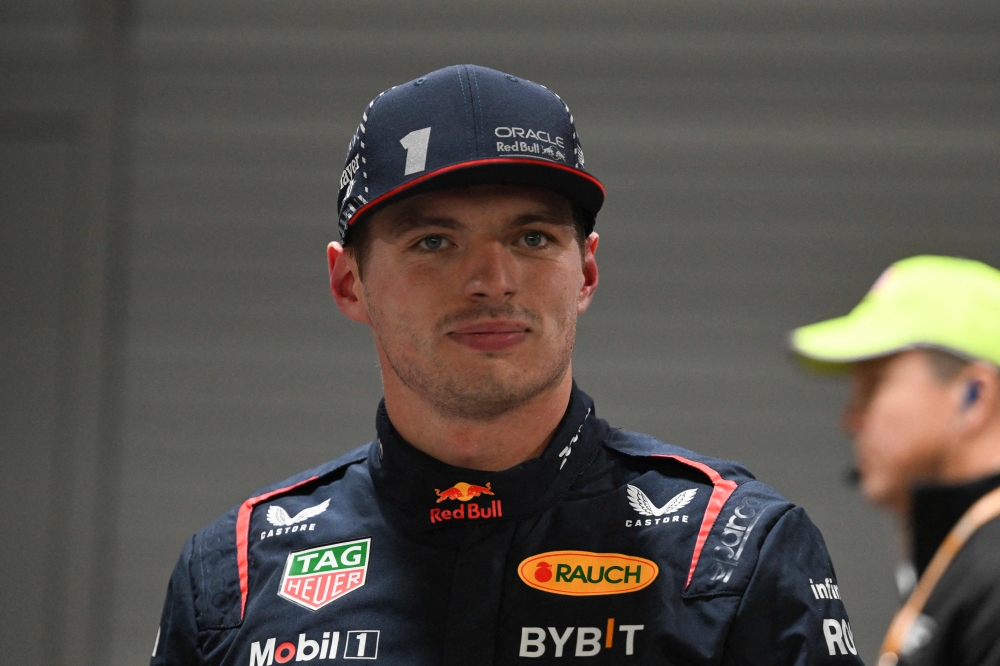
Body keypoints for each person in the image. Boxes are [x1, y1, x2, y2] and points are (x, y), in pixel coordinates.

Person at [152, 64, 862, 666]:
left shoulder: (733, 556)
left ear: (585, 271)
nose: (492, 280)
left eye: (531, 237)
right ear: (350, 284)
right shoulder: (235, 576)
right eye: (434, 242)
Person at [789, 255, 1000, 666]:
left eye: (873, 385)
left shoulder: (993, 567)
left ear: (974, 396)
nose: (850, 420)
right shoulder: (970, 555)